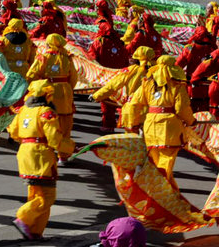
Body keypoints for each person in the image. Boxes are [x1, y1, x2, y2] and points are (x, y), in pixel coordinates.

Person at [7, 79, 75, 240]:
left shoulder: (23, 110)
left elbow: (14, 133)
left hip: (25, 153)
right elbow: (54, 139)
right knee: (47, 196)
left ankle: (35, 231)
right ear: (47, 95)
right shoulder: (46, 112)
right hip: (41, 155)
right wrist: (70, 147)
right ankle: (23, 218)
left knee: (35, 194)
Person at [127, 55, 194, 188]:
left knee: (154, 159)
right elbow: (182, 109)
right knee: (166, 160)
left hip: (151, 125)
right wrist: (191, 121)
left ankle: (158, 188)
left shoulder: (147, 83)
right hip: (169, 128)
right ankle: (159, 190)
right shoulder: (178, 86)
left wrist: (133, 123)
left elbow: (134, 104)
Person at [26, 33, 77, 162]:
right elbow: (74, 77)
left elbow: (32, 74)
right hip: (65, 92)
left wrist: (35, 88)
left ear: (48, 43)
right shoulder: (67, 57)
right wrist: (68, 87)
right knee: (65, 123)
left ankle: (47, 151)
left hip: (48, 91)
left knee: (48, 121)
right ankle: (63, 156)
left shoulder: (43, 57)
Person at [91, 46, 156, 133]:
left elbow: (112, 86)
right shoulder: (159, 70)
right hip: (153, 110)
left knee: (131, 139)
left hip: (134, 109)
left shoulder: (131, 70)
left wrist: (96, 96)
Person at [87, 22, 130, 132]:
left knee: (106, 102)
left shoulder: (98, 42)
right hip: (120, 75)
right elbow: (126, 59)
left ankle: (108, 126)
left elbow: (91, 59)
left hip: (105, 76)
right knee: (121, 100)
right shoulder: (120, 43)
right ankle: (128, 125)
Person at [176, 26, 217, 111]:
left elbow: (178, 65)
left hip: (193, 85)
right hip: (209, 86)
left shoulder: (190, 48)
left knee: (192, 110)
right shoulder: (212, 48)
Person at [192, 48, 219, 118]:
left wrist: (194, 78)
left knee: (214, 109)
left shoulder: (215, 53)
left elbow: (203, 67)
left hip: (216, 84)